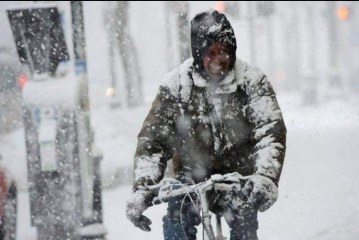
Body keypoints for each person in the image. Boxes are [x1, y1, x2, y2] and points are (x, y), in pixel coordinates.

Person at [126, 9, 286, 240]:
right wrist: (143, 189)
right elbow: (153, 142)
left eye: (225, 51)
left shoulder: (252, 81)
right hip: (190, 180)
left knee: (244, 224)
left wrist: (265, 177)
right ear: (198, 54)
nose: (219, 59)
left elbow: (270, 132)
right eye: (211, 52)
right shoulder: (177, 86)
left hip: (238, 178)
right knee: (177, 219)